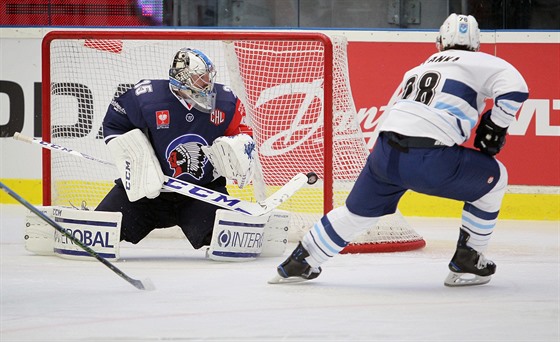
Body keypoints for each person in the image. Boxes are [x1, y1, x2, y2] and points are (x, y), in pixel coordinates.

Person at [270, 13, 529, 286]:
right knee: (496, 178)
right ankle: (468, 259)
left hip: (384, 154)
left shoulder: (416, 69)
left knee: (355, 213)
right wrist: (496, 126)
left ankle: (301, 260)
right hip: (430, 158)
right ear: (476, 44)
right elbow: (516, 88)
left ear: (439, 42)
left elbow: (390, 114)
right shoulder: (484, 61)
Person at [96, 47, 253, 250]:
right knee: (98, 231)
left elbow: (243, 134)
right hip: (147, 192)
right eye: (200, 78)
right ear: (181, 78)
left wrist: (238, 152)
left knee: (231, 243)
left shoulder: (225, 101)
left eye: (208, 77)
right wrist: (136, 159)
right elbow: (115, 124)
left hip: (201, 193)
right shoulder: (147, 98)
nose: (207, 84)